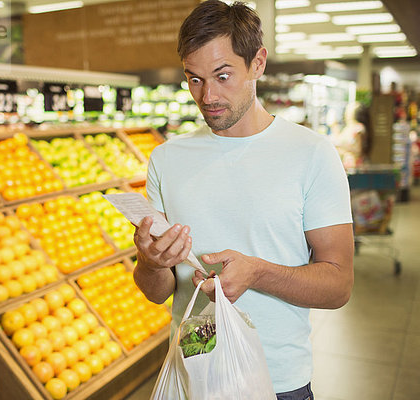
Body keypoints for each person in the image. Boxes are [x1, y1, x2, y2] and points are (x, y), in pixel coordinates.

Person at [132, 1, 354, 399]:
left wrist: (258, 272)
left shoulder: (312, 153)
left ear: (258, 63)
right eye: (194, 79)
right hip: (192, 376)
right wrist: (150, 262)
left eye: (222, 76)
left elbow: (338, 285)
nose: (208, 95)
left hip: (277, 383)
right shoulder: (166, 159)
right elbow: (157, 291)